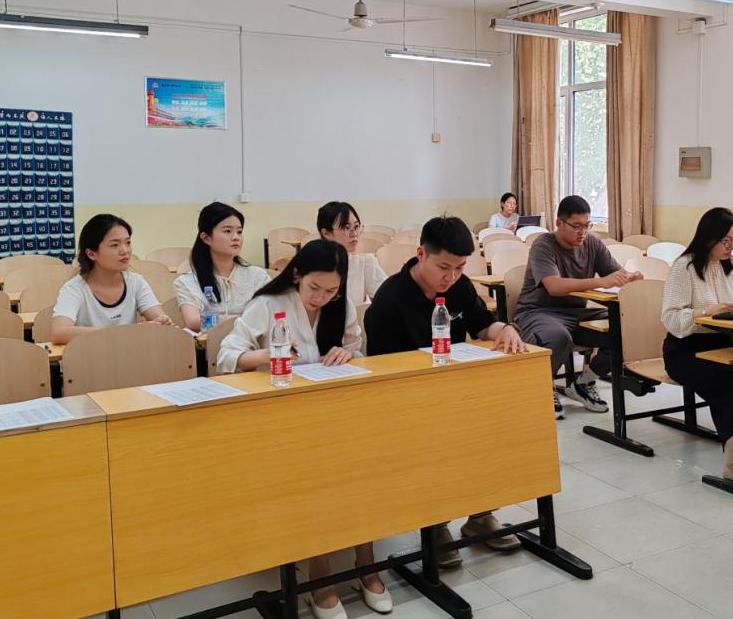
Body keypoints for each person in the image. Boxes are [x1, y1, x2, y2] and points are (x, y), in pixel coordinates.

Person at [216, 240, 385, 618]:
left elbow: (358, 351)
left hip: (332, 413)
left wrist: (348, 353)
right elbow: (225, 355)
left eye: (331, 291)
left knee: (369, 463)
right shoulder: (268, 305)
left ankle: (366, 560)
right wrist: (265, 354)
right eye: (314, 288)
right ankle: (319, 572)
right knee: (314, 473)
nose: (320, 298)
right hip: (279, 421)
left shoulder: (339, 306)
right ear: (297, 275)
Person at [364, 215, 527, 569]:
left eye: (460, 267)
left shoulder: (460, 286)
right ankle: (436, 523)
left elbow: (483, 325)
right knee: (438, 443)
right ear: (421, 254)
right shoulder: (390, 299)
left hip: (456, 390)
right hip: (408, 400)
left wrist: (506, 330)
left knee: (496, 428)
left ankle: (481, 514)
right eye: (444, 267)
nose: (451, 277)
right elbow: (382, 370)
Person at [661, 208, 733, 489]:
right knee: (729, 382)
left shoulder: (731, 265)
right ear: (708, 237)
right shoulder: (684, 267)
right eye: (725, 240)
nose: (730, 247)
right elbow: (671, 318)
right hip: (685, 349)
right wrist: (705, 312)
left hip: (724, 341)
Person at [514, 195, 642, 419]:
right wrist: (601, 282)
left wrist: (630, 277)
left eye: (587, 225)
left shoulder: (592, 243)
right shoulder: (543, 245)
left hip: (577, 313)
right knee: (558, 337)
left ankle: (584, 382)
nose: (582, 232)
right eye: (576, 226)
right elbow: (554, 286)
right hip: (538, 312)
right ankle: (543, 387)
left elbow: (614, 274)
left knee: (626, 327)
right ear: (559, 223)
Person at [51, 214, 171, 344]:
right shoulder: (74, 288)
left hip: (128, 353)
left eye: (128, 243)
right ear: (91, 254)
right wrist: (124, 332)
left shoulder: (136, 282)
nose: (125, 250)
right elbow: (59, 333)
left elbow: (160, 320)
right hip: (90, 354)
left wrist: (162, 322)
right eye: (114, 245)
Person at [174, 202, 270, 332]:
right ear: (206, 238)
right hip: (209, 343)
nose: (236, 237)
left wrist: (222, 319)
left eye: (239, 232)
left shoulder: (258, 276)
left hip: (250, 341)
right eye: (227, 231)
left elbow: (269, 315)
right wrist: (238, 319)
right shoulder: (187, 282)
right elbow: (193, 321)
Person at [316, 201, 388, 305]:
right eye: (346, 227)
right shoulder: (312, 264)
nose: (354, 233)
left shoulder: (365, 262)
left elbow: (389, 296)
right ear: (326, 233)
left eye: (356, 227)